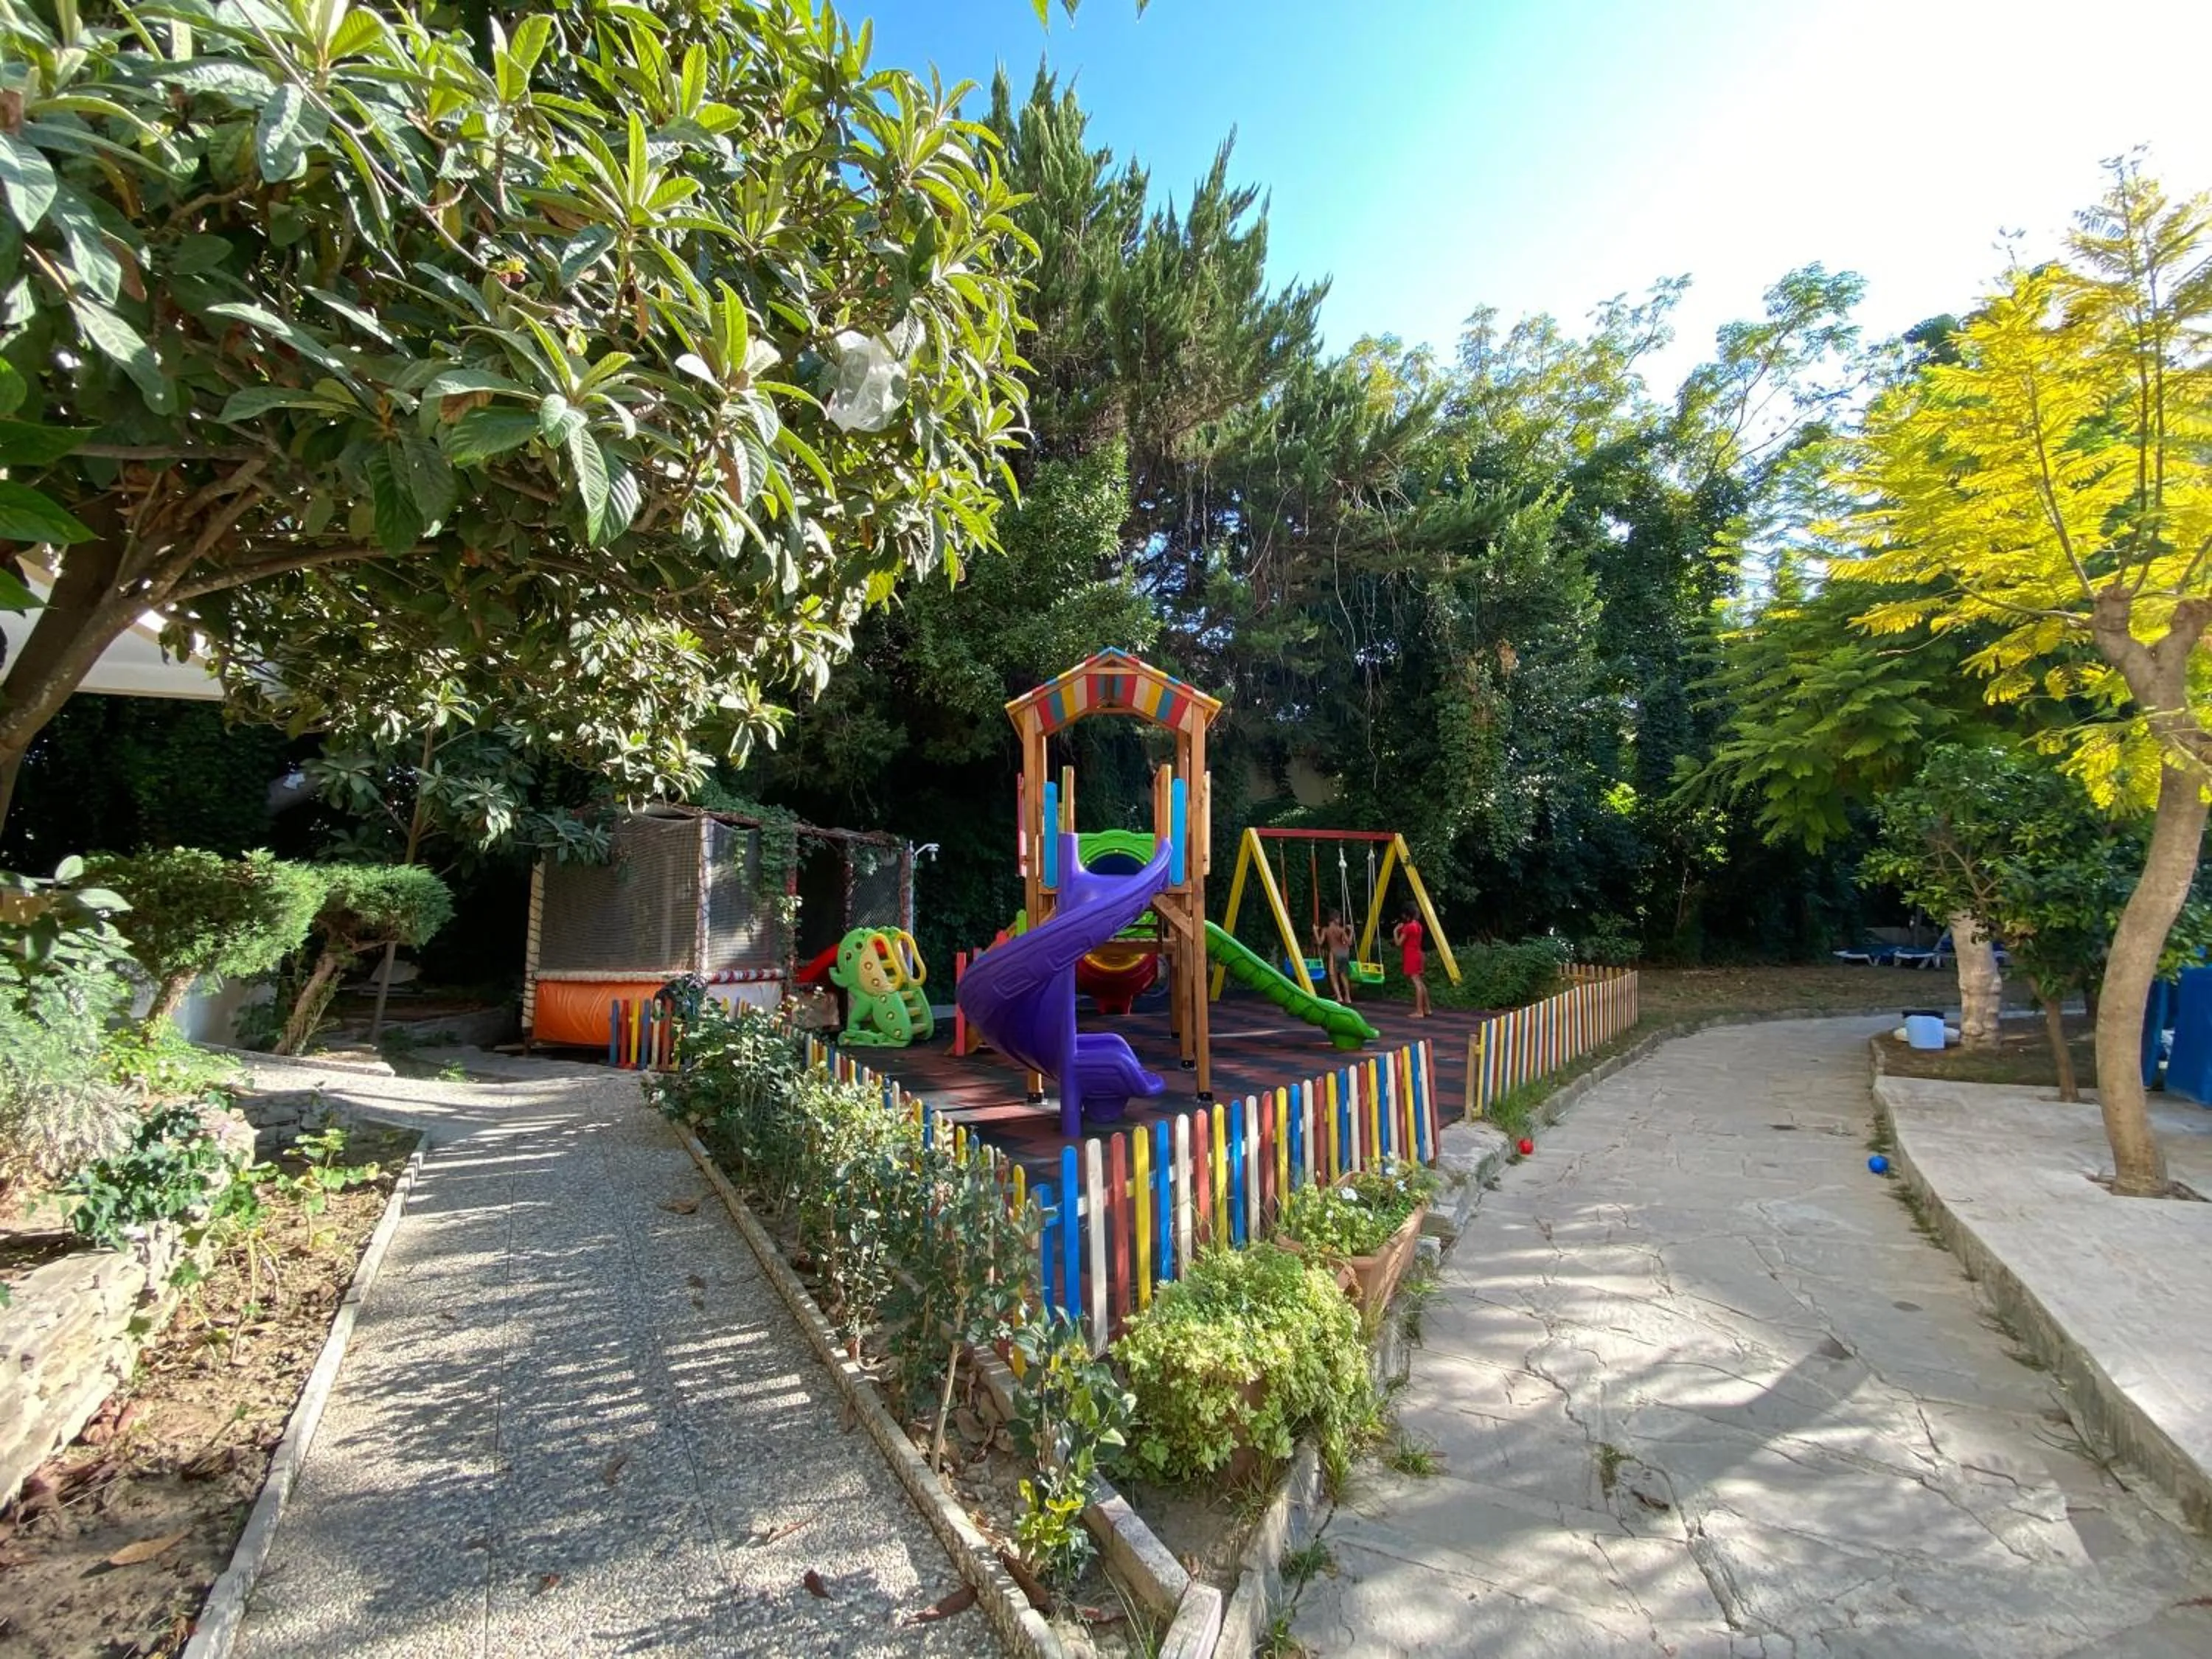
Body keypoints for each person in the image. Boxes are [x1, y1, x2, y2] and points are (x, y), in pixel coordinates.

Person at [1394, 903, 1430, 1018]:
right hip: (1418, 953)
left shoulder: (1408, 927)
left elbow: (1399, 943)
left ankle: (1419, 1011)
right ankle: (1427, 1008)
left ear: (1407, 915)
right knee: (1420, 981)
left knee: (1416, 982)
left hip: (1411, 955)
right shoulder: (1418, 925)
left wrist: (1395, 931)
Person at [1315, 909, 1354, 1004]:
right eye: (1339, 918)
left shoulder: (1326, 930)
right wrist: (1352, 931)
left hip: (1334, 953)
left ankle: (1339, 996)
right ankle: (1348, 997)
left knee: (1333, 974)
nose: (1340, 920)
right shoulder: (1341, 930)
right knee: (1343, 975)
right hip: (1344, 953)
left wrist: (1315, 931)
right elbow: (1349, 943)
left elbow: (1320, 943)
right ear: (1335, 919)